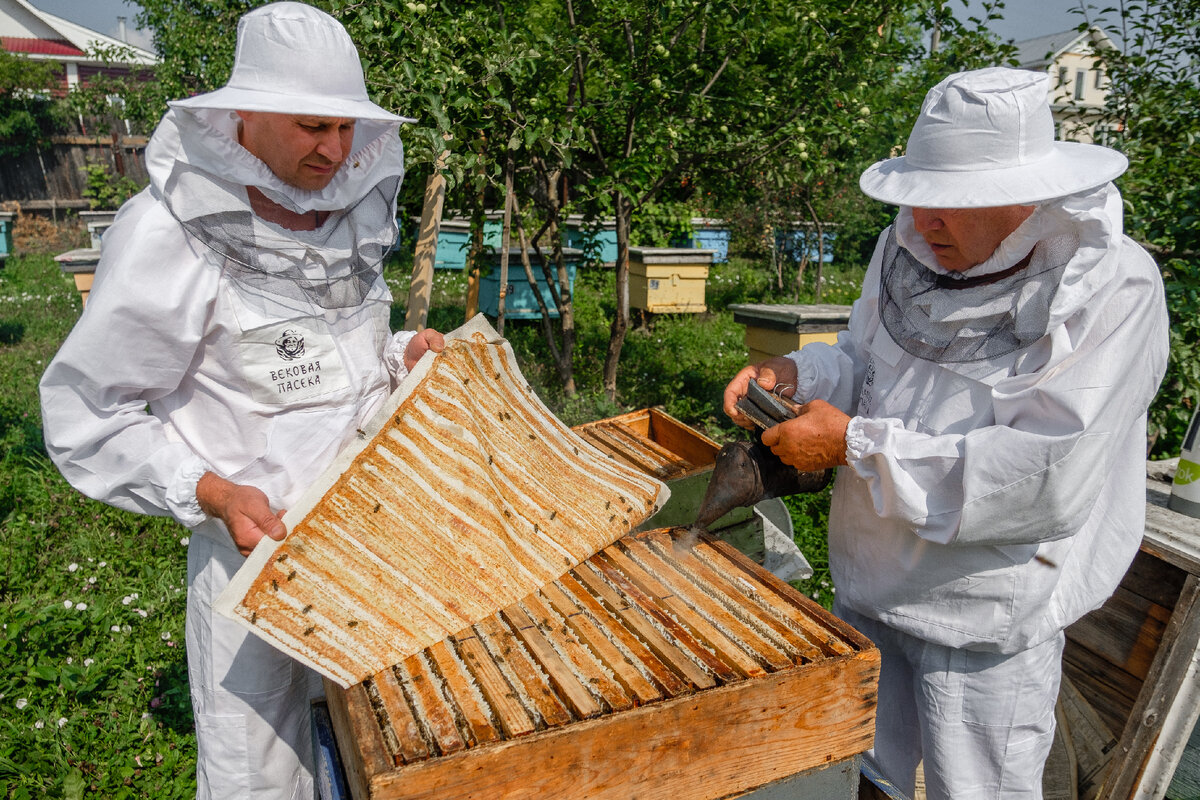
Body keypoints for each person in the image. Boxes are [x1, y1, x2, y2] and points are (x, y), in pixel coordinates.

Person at [723, 67, 1168, 799]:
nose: (926, 222)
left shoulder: (1114, 286)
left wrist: (852, 447)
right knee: (856, 777)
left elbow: (1043, 476)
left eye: (950, 205)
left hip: (984, 616)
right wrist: (801, 377)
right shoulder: (909, 246)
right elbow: (870, 365)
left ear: (1023, 195)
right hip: (868, 580)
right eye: (921, 199)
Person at [39, 3, 443, 797]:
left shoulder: (348, 216)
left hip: (372, 552)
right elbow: (92, 411)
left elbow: (336, 362)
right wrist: (211, 491)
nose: (333, 151)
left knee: (376, 754)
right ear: (244, 117)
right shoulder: (166, 233)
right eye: (309, 126)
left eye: (346, 131)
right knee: (258, 772)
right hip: (251, 564)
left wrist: (404, 356)